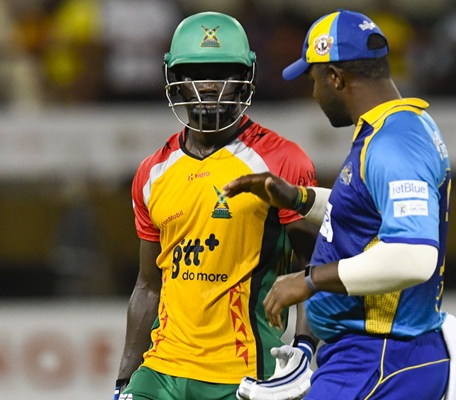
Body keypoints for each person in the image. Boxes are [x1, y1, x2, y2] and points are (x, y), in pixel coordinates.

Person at [225, 9, 456, 400]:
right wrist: (298, 199)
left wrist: (307, 281)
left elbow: (414, 256)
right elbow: (367, 216)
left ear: (336, 78)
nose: (314, 92)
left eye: (314, 78)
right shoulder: (395, 127)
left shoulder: (394, 144)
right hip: (372, 356)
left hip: (381, 356)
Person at [114, 11, 320, 400]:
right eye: (197, 72)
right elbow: (147, 285)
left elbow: (313, 268)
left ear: (246, 78)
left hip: (243, 373)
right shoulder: (152, 172)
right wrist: (124, 379)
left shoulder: (284, 162)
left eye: (223, 71)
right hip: (161, 370)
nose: (209, 86)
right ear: (175, 80)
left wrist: (305, 348)